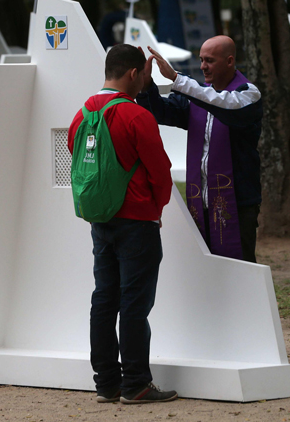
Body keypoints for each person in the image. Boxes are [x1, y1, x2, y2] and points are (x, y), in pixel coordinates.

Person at [68, 44, 177, 405]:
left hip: (101, 219)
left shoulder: (81, 115)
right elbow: (161, 170)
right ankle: (136, 384)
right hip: (137, 220)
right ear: (133, 73)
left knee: (104, 299)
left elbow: (78, 156)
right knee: (134, 302)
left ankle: (107, 384)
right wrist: (155, 207)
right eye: (144, 75)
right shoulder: (136, 115)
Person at [137, 36, 262, 262]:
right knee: (205, 268)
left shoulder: (248, 94)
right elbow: (161, 111)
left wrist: (177, 79)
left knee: (239, 269)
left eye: (210, 60)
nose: (203, 66)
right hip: (200, 199)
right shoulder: (198, 95)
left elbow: (224, 104)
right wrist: (146, 86)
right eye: (201, 60)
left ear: (230, 61)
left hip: (238, 201)